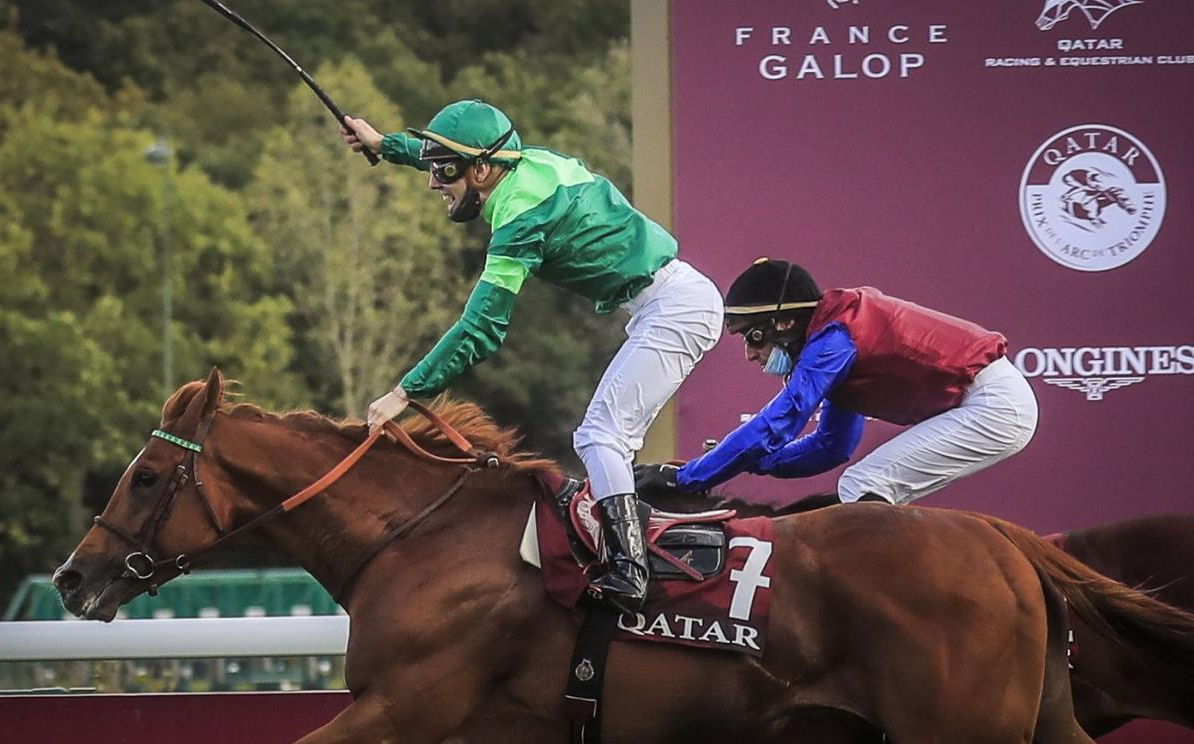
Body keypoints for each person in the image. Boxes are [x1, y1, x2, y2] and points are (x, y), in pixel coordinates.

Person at [339, 100, 723, 613]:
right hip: (672, 302)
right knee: (608, 440)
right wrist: (385, 145)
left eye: (444, 171)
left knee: (599, 436)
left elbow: (482, 328)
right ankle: (641, 524)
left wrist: (405, 391)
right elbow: (453, 158)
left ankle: (631, 572)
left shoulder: (521, 221)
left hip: (675, 308)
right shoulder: (523, 163)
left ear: (481, 170)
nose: (434, 182)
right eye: (433, 166)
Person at [635, 258, 1038, 505]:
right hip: (990, 402)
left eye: (753, 336)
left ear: (785, 321)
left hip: (996, 405)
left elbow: (781, 422)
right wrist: (754, 464)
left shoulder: (833, 342)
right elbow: (832, 446)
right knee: (865, 484)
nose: (750, 354)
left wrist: (690, 477)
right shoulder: (836, 343)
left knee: (866, 483)